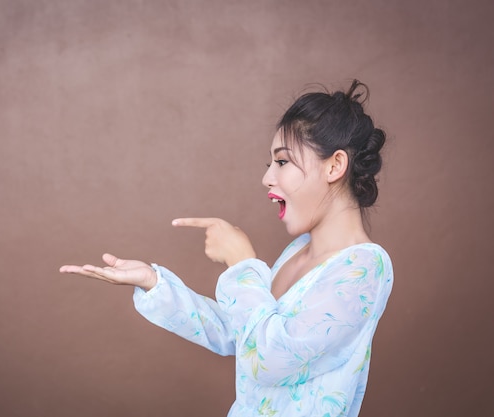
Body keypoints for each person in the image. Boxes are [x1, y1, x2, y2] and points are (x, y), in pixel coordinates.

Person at [60, 80, 393, 417]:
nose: (267, 179)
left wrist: (241, 263)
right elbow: (242, 335)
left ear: (334, 166)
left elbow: (271, 360)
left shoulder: (364, 267)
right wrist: (154, 283)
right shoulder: (298, 250)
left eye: (282, 162)